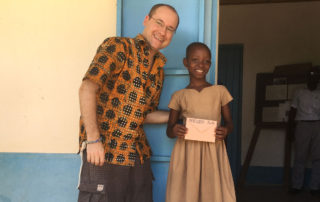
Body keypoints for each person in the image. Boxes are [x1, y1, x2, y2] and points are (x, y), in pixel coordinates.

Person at [77, 4, 179, 202]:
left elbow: (146, 114)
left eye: (170, 29)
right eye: (159, 23)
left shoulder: (159, 70)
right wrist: (93, 140)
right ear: (146, 20)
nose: (163, 32)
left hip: (138, 157)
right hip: (105, 153)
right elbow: (87, 88)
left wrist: (179, 115)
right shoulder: (118, 47)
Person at [165, 42, 236, 202]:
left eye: (206, 61)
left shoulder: (220, 91)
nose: (201, 65)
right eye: (195, 60)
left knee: (212, 191)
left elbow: (230, 123)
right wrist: (175, 129)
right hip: (187, 152)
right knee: (187, 192)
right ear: (186, 62)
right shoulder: (179, 96)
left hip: (212, 150)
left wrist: (225, 130)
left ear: (210, 64)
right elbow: (169, 130)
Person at [288, 68, 320, 196]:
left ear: (318, 80)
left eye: (316, 78)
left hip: (318, 125)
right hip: (302, 125)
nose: (313, 80)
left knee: (318, 158)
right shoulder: (299, 92)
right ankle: (297, 186)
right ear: (307, 79)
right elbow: (292, 111)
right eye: (311, 77)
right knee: (300, 157)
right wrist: (290, 130)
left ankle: (315, 187)